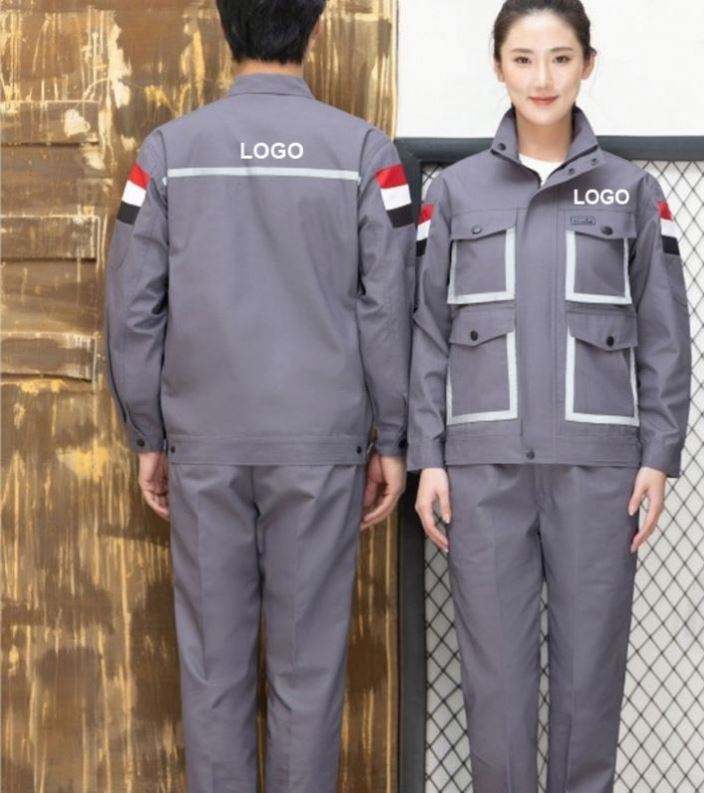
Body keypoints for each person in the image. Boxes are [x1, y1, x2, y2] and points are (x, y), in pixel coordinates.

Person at [104, 1, 414, 790]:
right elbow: (386, 308)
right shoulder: (365, 154)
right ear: (314, 30)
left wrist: (148, 433)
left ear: (224, 28)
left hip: (204, 442)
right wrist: (392, 437)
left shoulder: (167, 153)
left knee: (213, 670)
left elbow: (133, 304)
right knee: (308, 671)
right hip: (320, 447)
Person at [407, 1, 692, 792]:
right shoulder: (453, 193)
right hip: (482, 472)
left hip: (598, 474)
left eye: (561, 58)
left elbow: (664, 333)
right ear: (497, 66)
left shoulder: (631, 191)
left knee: (588, 681)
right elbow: (426, 331)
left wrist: (657, 455)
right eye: (524, 59)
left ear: (587, 65)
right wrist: (428, 457)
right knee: (494, 688)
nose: (542, 78)